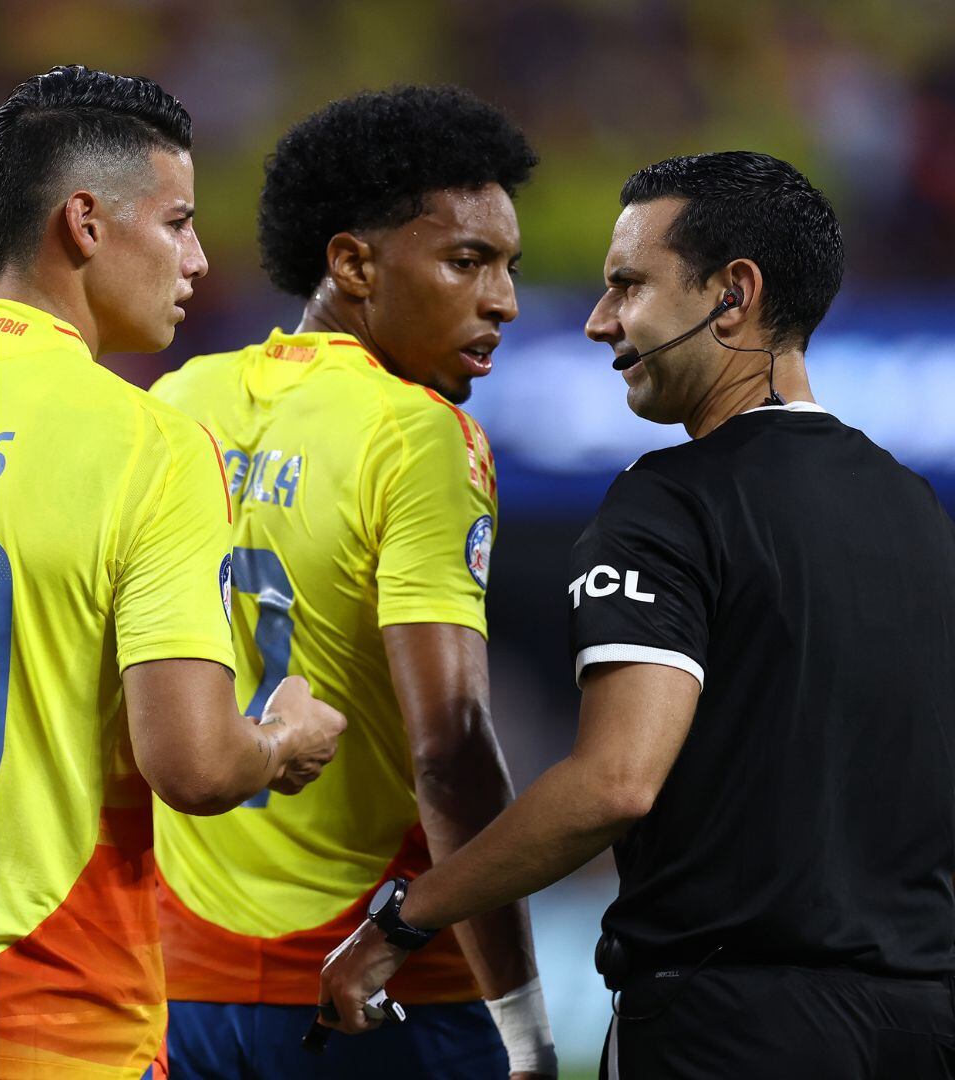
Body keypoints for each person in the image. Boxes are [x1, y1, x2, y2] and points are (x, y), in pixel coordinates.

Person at [317, 150, 955, 1079]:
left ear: (733, 293)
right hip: (922, 1024)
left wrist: (403, 920)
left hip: (726, 1030)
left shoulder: (670, 502)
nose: (597, 321)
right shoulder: (917, 510)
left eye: (629, 286)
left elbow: (616, 783)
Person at [149, 86, 555, 1079]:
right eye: (467, 261)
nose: (501, 299)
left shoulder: (179, 402)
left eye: (507, 268)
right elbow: (451, 745)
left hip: (180, 986)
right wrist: (522, 1016)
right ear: (354, 262)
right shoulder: (418, 433)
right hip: (378, 998)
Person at [0, 65, 347, 1078]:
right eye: (179, 222)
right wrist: (282, 737)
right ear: (86, 223)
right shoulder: (147, 444)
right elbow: (191, 765)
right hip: (54, 1009)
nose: (198, 258)